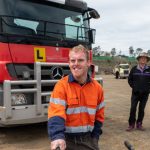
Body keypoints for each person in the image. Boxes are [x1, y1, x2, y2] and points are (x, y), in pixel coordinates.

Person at [48, 44, 105, 150]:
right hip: (66, 141)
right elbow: (56, 113)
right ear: (69, 63)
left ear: (88, 63)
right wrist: (57, 137)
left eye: (80, 60)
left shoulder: (97, 88)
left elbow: (99, 116)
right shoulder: (61, 86)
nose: (76, 64)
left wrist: (95, 137)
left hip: (88, 141)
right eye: (72, 61)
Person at [126, 52, 150, 131]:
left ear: (147, 60)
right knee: (133, 108)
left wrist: (148, 89)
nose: (143, 59)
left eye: (145, 58)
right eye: (141, 58)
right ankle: (131, 124)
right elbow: (130, 80)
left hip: (145, 94)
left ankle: (139, 124)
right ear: (138, 59)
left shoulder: (149, 69)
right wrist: (134, 87)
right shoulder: (134, 69)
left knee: (141, 109)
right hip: (135, 93)